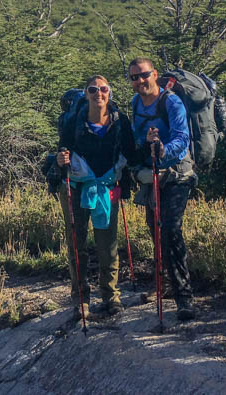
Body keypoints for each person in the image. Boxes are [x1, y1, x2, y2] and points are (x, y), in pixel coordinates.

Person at [51, 74, 137, 320]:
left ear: (109, 92)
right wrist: (61, 160)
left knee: (107, 245)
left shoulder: (121, 122)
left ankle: (111, 296)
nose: (98, 93)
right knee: (77, 245)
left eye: (103, 89)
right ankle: (81, 298)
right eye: (93, 89)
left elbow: (131, 153)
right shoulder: (74, 121)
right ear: (86, 93)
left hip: (107, 188)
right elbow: (63, 149)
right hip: (75, 187)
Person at [128, 57, 198, 321]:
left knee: (170, 230)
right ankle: (166, 283)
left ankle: (184, 297)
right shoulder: (136, 103)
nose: (140, 81)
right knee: (155, 230)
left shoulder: (171, 101)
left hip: (178, 174)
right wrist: (143, 143)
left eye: (143, 75)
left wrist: (164, 150)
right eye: (134, 77)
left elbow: (183, 137)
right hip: (152, 175)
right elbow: (136, 136)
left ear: (154, 74)